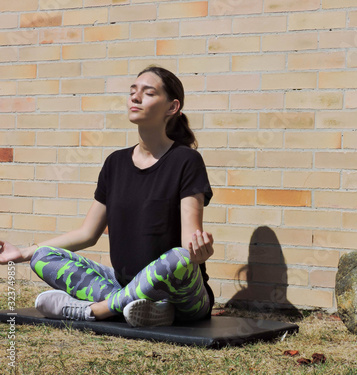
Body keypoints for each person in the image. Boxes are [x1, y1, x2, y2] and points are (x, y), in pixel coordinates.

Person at [0, 66, 215, 327]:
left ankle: (97, 310)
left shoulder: (186, 160)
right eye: (132, 92)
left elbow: (188, 245)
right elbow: (87, 234)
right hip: (122, 282)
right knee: (43, 256)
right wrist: (22, 252)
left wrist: (199, 251)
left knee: (180, 259)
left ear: (172, 107)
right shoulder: (115, 163)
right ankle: (140, 307)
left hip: (183, 295)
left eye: (147, 93)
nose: (135, 98)